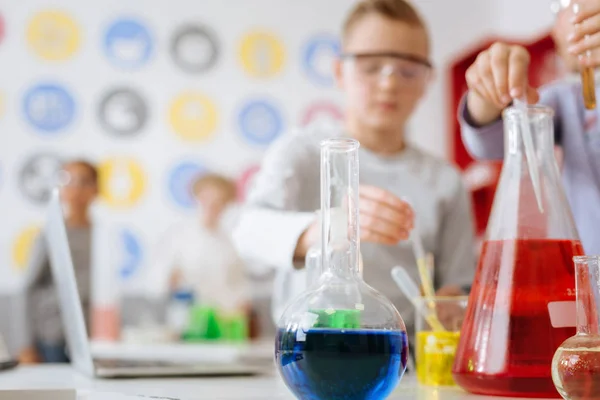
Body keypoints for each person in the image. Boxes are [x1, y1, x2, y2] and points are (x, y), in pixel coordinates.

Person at [233, 0, 476, 329]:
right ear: (339, 72)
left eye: (407, 70)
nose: (389, 83)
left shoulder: (445, 181)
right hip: (310, 354)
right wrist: (328, 229)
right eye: (371, 66)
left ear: (427, 81)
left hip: (401, 360)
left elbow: (461, 282)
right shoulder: (301, 152)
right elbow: (248, 232)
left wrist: (456, 301)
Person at [459, 0, 600, 254]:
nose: (579, 14)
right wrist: (487, 92)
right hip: (588, 288)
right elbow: (490, 142)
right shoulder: (566, 100)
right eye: (562, 6)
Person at [20, 160, 98, 363]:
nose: (77, 189)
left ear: (96, 189)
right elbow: (29, 288)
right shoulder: (51, 234)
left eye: (84, 182)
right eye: (69, 181)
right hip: (53, 335)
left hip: (92, 337)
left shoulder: (101, 236)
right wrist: (25, 343)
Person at [148, 174, 249, 317]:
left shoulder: (231, 243)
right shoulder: (178, 236)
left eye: (218, 201)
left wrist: (241, 306)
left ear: (226, 205)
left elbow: (239, 287)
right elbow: (157, 282)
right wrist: (170, 279)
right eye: (206, 199)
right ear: (197, 198)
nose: (211, 206)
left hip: (223, 321)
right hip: (187, 319)